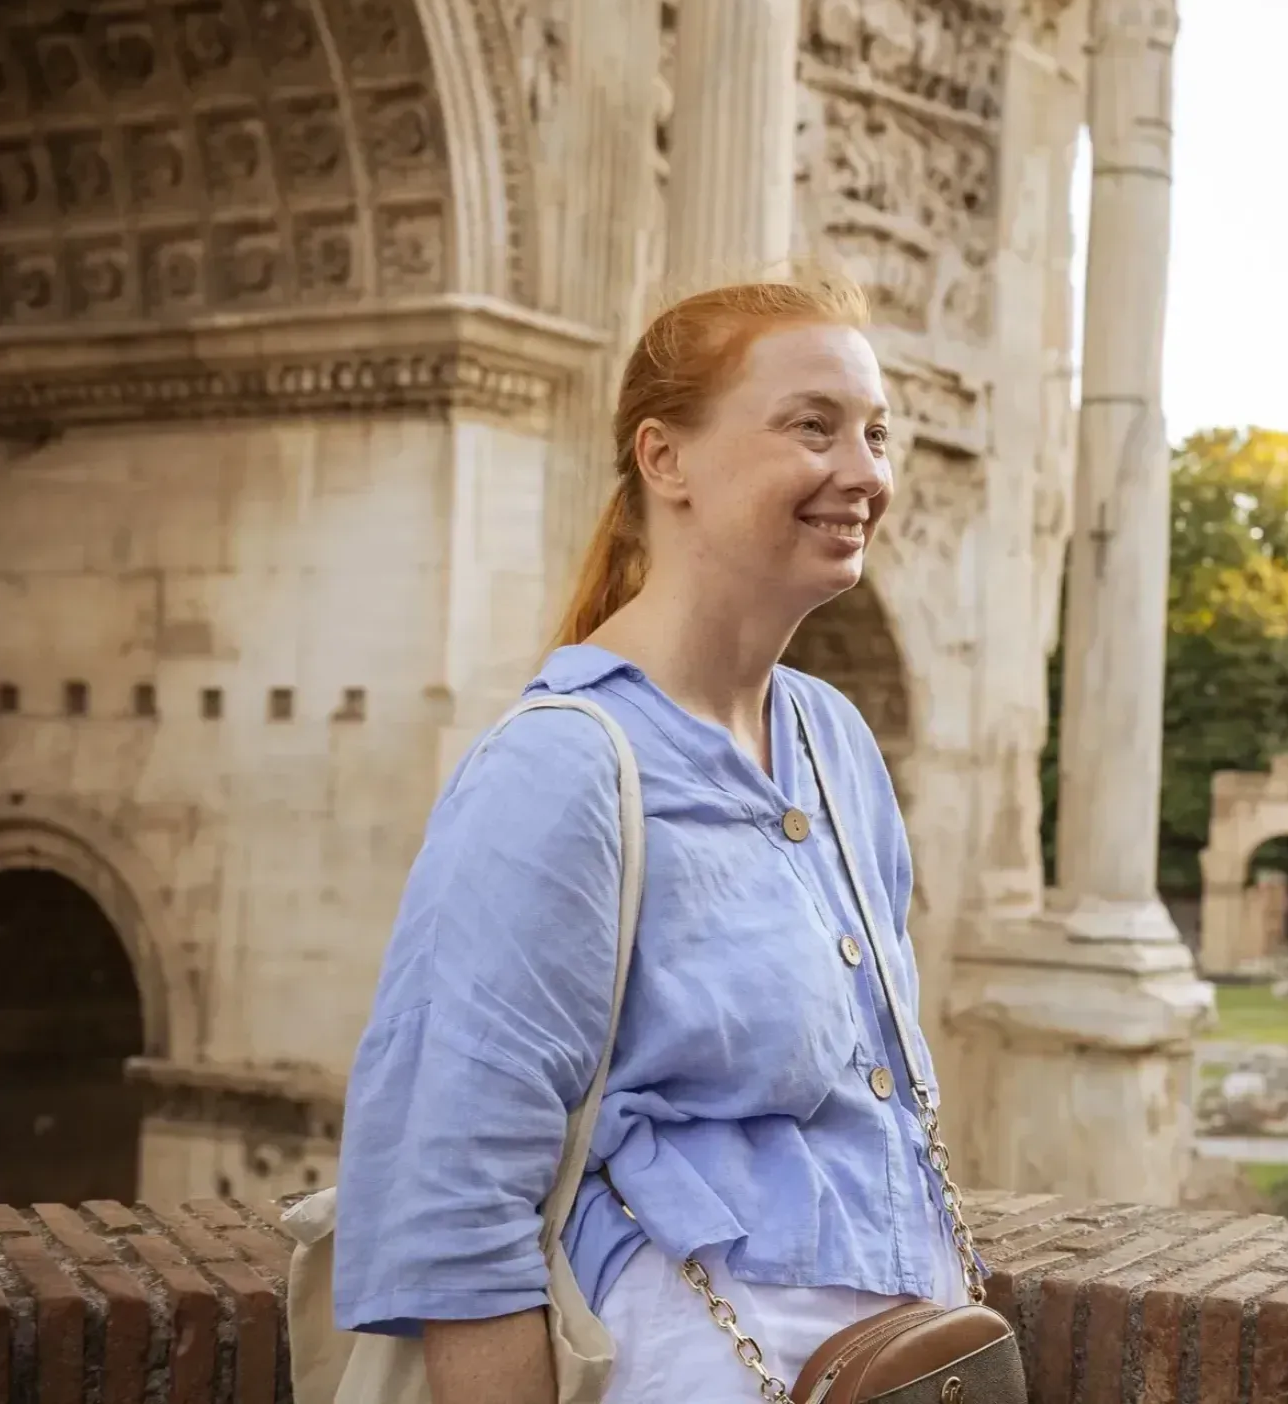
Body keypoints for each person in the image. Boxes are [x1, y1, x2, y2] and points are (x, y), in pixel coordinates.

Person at [332, 276, 966, 1404]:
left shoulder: (833, 742)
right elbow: (454, 1203)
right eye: (811, 425)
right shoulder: (556, 770)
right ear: (664, 459)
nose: (865, 472)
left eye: (875, 433)